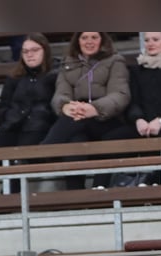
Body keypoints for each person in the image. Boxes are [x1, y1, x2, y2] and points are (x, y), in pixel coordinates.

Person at [39, 32, 130, 190]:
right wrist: (66, 106)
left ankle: (46, 150)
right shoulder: (68, 63)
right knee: (76, 139)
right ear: (77, 41)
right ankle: (77, 194)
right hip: (77, 117)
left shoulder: (115, 61)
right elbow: (61, 93)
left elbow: (120, 95)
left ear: (102, 40)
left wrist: (95, 108)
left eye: (94, 37)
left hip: (106, 118)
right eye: (84, 37)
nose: (89, 41)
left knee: (76, 122)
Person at [0, 33, 58, 195]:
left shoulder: (54, 76)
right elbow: (0, 110)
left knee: (18, 154)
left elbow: (55, 107)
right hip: (13, 127)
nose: (30, 54)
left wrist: (38, 115)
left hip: (39, 129)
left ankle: (8, 197)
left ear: (45, 51)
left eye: (35, 50)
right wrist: (10, 115)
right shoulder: (14, 78)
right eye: (25, 51)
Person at [90, 31, 161, 188]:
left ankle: (154, 182)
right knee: (110, 139)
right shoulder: (136, 70)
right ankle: (99, 186)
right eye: (147, 40)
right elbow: (133, 100)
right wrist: (138, 119)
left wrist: (160, 120)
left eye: (155, 39)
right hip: (141, 124)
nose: (150, 43)